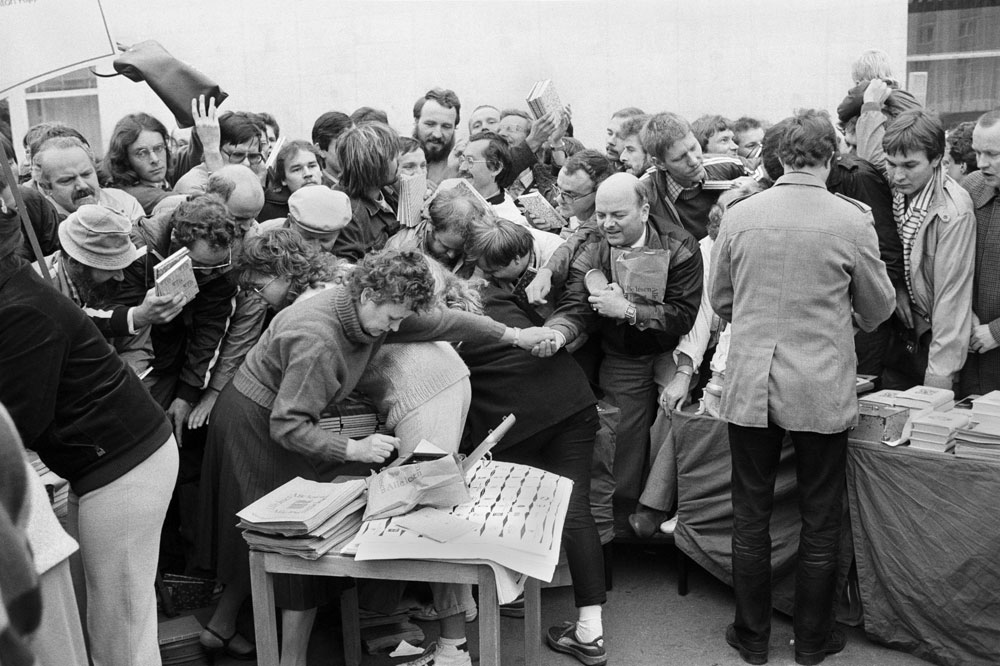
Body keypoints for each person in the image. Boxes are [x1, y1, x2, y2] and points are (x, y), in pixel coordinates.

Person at [197, 249, 556, 666]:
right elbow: (289, 426)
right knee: (293, 544)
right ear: (368, 294)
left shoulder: (376, 306)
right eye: (392, 319)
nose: (397, 328)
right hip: (254, 425)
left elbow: (440, 322)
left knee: (274, 536)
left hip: (265, 416)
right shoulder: (317, 337)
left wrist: (513, 336)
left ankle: (221, 627)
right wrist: (353, 449)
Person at [709, 109, 895, 666]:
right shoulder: (851, 220)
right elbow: (879, 308)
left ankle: (753, 637)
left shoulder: (741, 216)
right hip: (820, 382)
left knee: (750, 514)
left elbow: (722, 302)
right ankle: (813, 641)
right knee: (821, 517)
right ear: (830, 159)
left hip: (752, 382)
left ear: (778, 157)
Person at [0, 209, 179, 666]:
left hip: (124, 464)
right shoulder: (19, 287)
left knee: (119, 629)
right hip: (110, 461)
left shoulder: (20, 307)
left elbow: (21, 422)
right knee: (109, 618)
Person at [542, 173, 703, 503]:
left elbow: (683, 316)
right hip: (621, 354)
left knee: (676, 416)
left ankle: (659, 506)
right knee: (620, 434)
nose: (608, 224)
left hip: (671, 351)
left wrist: (629, 310)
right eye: (601, 215)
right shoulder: (593, 250)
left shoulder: (679, 245)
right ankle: (620, 510)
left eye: (618, 215)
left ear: (644, 211)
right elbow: (575, 305)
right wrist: (557, 334)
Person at [881, 109, 975, 390]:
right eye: (891, 163)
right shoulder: (893, 187)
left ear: (936, 159)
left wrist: (937, 383)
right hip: (898, 335)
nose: (898, 175)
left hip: (932, 339)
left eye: (909, 166)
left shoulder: (954, 211)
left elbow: (952, 302)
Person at [639, 112, 749, 240]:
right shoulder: (644, 193)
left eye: (693, 148)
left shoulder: (727, 165)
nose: (694, 161)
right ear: (659, 163)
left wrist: (751, 186)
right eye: (680, 158)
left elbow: (769, 166)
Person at [960, 110, 1000, 395]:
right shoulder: (970, 188)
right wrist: (964, 314)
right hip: (971, 352)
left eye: (992, 154)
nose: (981, 163)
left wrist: (997, 332)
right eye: (977, 152)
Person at [332, 122, 402, 261]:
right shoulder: (349, 213)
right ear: (374, 165)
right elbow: (347, 269)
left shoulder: (389, 192)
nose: (399, 161)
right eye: (393, 156)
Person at [33, 135, 144, 222]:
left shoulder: (124, 202)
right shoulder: (42, 224)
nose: (82, 185)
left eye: (86, 174)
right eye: (67, 180)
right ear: (45, 187)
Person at [385, 185, 493, 273]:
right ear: (430, 226)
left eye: (460, 249)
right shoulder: (399, 249)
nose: (452, 255)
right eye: (445, 247)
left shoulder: (476, 247)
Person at [103, 112, 174, 214]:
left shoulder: (154, 180)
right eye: (141, 153)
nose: (155, 159)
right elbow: (196, 203)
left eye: (158, 148)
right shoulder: (134, 194)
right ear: (125, 159)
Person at [457, 131, 529, 227]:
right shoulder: (448, 195)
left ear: (495, 168)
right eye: (463, 159)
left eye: (470, 160)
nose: (462, 167)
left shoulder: (512, 223)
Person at [256, 185, 352, 253]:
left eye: (325, 240)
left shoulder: (348, 246)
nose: (315, 249)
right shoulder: (263, 238)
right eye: (308, 237)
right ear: (290, 221)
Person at [257, 140, 325, 222]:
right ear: (283, 179)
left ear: (321, 170)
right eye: (297, 169)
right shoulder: (271, 213)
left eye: (312, 166)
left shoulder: (337, 201)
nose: (307, 174)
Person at [413, 88, 461, 186]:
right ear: (416, 121)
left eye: (446, 126)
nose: (437, 134)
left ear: (454, 128)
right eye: (430, 124)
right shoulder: (396, 159)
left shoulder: (462, 167)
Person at [311, 110, 354, 187]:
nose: (352, 152)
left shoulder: (365, 185)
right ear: (320, 150)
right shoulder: (317, 189)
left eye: (355, 144)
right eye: (343, 146)